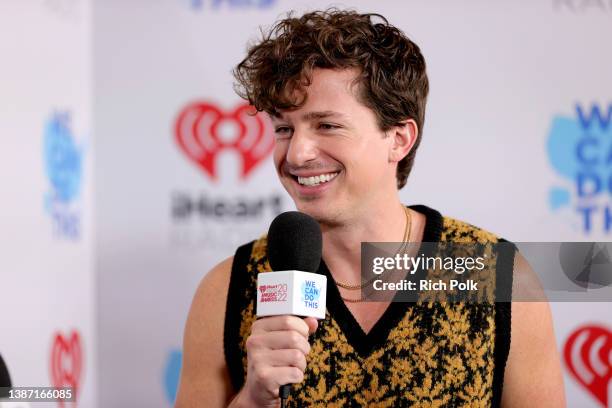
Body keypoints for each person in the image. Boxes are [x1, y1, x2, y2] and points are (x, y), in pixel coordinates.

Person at [175, 9, 565, 407]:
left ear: (398, 139)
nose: (297, 153)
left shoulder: (496, 275)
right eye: (284, 129)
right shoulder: (229, 287)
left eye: (326, 125)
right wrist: (253, 400)